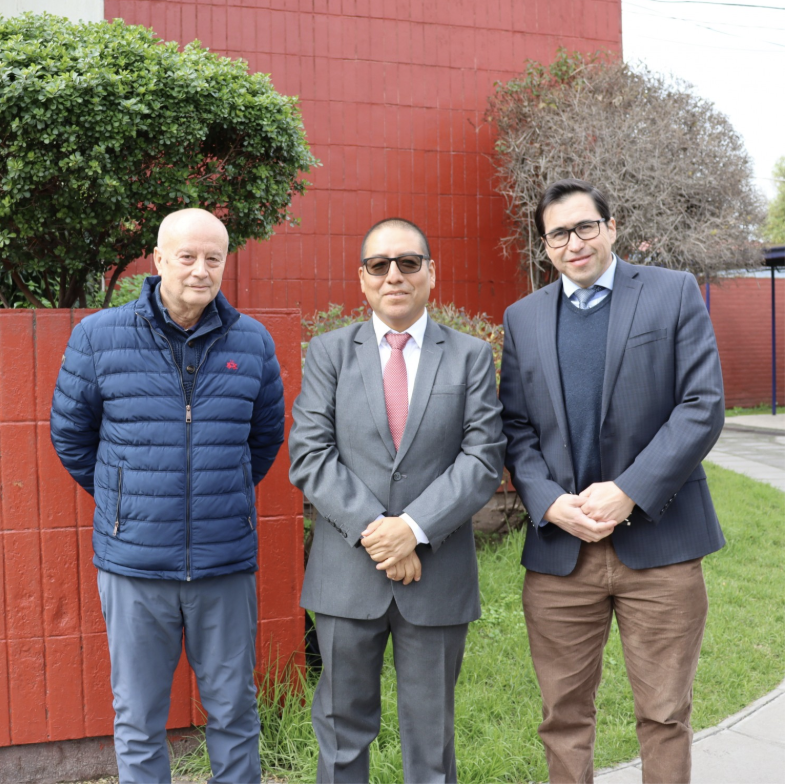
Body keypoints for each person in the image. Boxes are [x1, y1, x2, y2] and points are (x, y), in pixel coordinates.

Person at [499, 179, 725, 784]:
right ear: (545, 246)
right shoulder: (522, 318)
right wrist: (548, 502)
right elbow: (514, 427)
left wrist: (628, 491)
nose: (574, 243)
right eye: (558, 234)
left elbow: (702, 405)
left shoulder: (672, 292)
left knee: (665, 715)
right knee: (563, 718)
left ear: (611, 227)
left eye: (585, 227)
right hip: (561, 553)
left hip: (661, 545)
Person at [50, 208, 285, 784]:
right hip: (134, 565)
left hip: (224, 562)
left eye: (213, 258)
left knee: (234, 711)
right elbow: (71, 436)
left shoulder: (252, 342)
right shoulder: (98, 337)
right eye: (187, 256)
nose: (201, 270)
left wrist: (213, 496)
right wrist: (127, 501)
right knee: (138, 717)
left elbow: (264, 439)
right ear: (158, 260)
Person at [289, 218, 505, 783]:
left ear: (431, 274)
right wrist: (379, 531)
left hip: (436, 577)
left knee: (431, 744)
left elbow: (483, 459)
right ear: (362, 278)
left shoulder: (469, 356)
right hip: (345, 578)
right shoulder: (329, 353)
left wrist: (413, 528)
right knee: (340, 735)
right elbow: (309, 454)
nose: (394, 276)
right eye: (379, 265)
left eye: (408, 263)